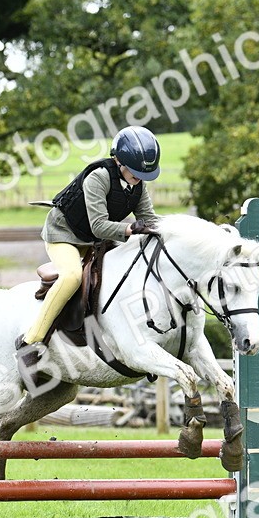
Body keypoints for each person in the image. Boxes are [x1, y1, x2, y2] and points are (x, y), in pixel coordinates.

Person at [19, 126, 162, 362]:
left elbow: (149, 218)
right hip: (63, 235)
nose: (139, 178)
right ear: (119, 161)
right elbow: (99, 225)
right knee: (72, 277)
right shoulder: (99, 177)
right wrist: (130, 229)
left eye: (143, 174)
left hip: (94, 240)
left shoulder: (138, 185)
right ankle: (32, 341)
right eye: (136, 172)